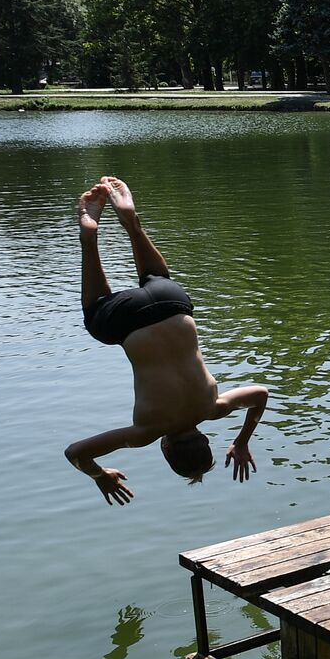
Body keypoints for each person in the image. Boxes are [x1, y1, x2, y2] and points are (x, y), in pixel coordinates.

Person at [67, 177, 270, 505]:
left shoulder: (214, 408)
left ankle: (132, 224)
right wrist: (99, 474)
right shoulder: (146, 432)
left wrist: (243, 440)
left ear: (205, 438)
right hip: (127, 320)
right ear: (165, 448)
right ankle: (89, 239)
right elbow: (76, 453)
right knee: (95, 314)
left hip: (170, 301)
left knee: (157, 278)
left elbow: (260, 395)